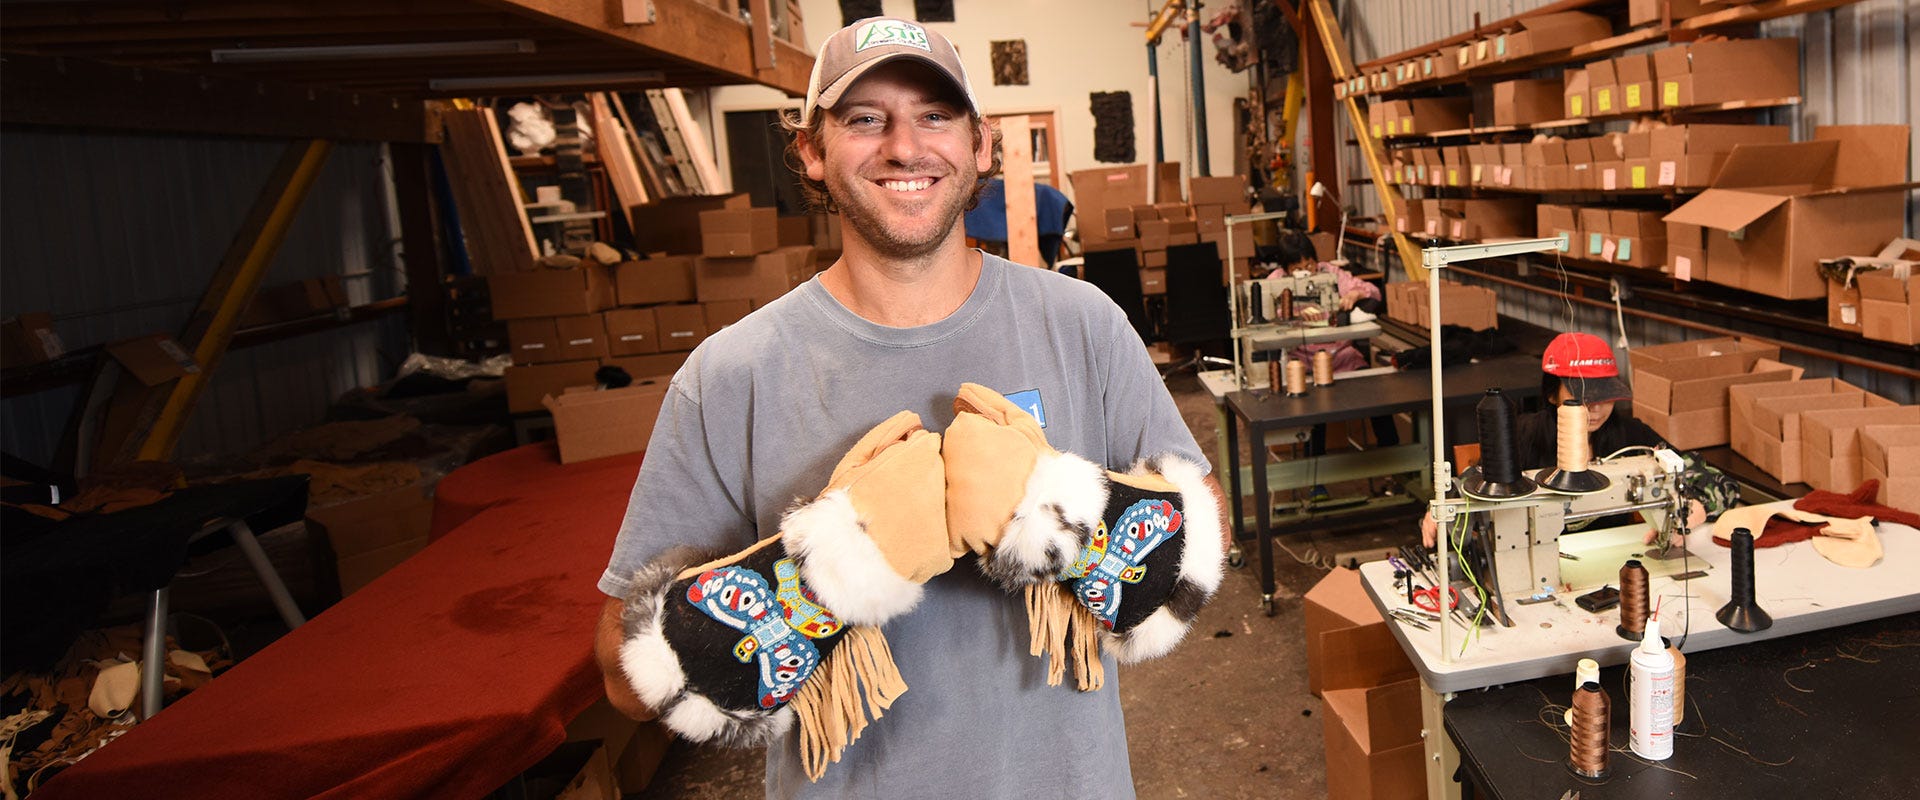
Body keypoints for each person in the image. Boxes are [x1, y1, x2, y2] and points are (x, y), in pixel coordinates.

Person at [591, 17, 1213, 798]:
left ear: (980, 145)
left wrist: (1059, 509)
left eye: (934, 115)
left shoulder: (1082, 323)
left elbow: (1201, 546)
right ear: (812, 151)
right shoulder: (730, 375)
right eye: (864, 118)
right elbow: (624, 681)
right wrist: (823, 572)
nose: (904, 146)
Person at [1422, 331, 1714, 546]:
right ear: (1552, 395)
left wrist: (1697, 507)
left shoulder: (1632, 437)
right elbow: (1469, 487)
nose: (1596, 408)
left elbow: (1712, 479)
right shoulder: (1522, 436)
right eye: (1583, 397)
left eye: (1605, 395)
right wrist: (1439, 510)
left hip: (1613, 560)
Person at [1268, 230, 1398, 494]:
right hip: (1304, 363)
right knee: (1314, 413)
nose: (1307, 272)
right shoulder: (1275, 283)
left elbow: (1374, 291)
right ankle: (1316, 483)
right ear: (1285, 269)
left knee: (1378, 401)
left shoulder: (1330, 272)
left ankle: (1399, 470)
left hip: (1343, 358)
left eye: (1309, 265)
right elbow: (1269, 315)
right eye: (1297, 269)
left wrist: (1355, 295)